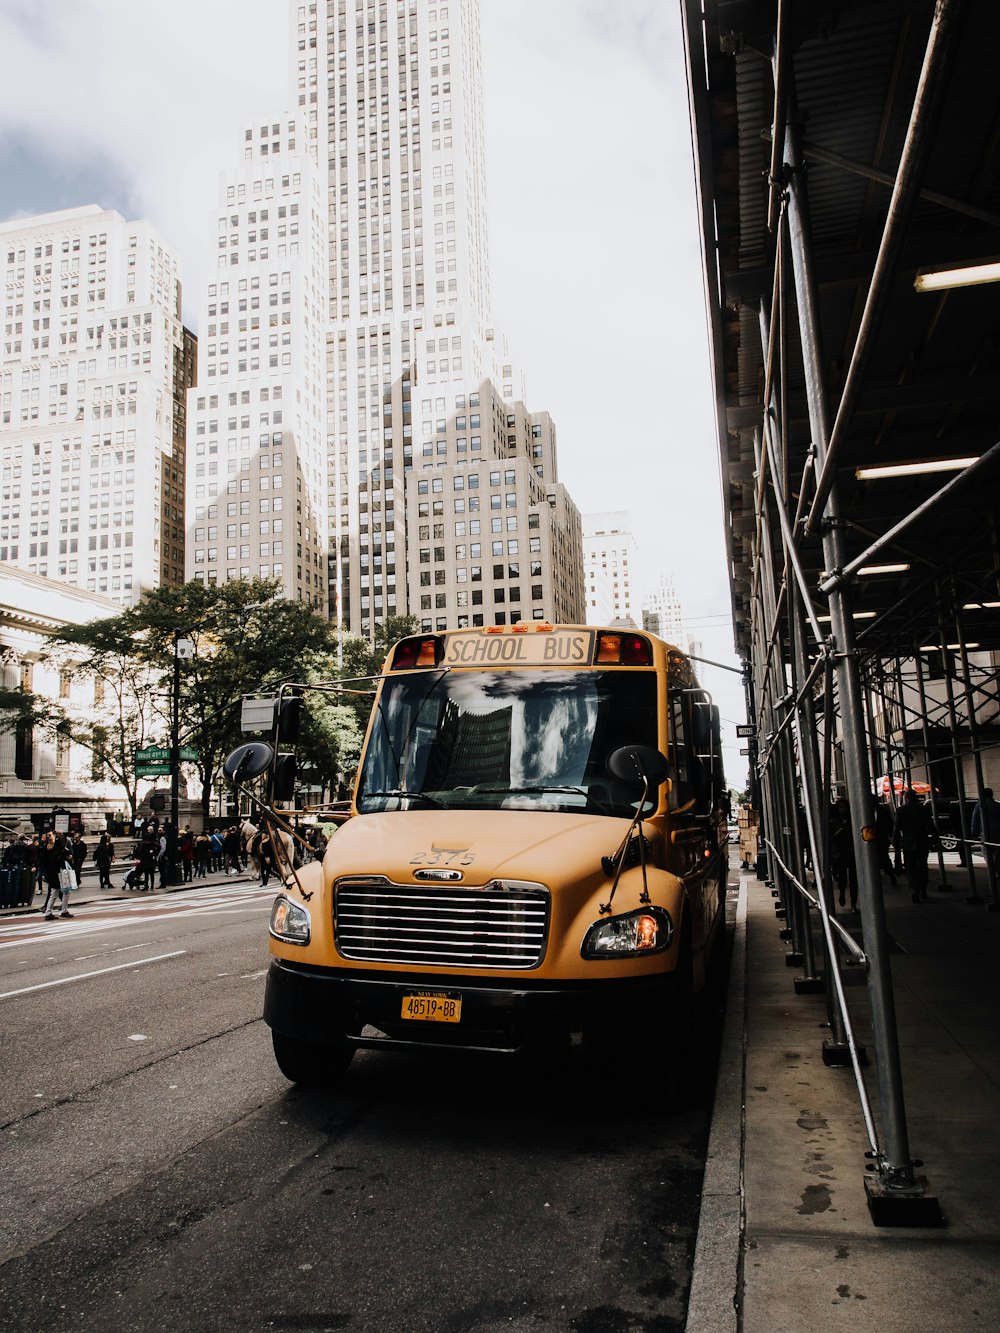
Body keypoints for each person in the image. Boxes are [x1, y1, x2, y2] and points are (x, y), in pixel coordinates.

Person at [893, 788, 939, 903]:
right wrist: (935, 839)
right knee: (923, 866)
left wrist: (895, 842)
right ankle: (923, 889)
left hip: (908, 843)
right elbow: (930, 826)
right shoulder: (923, 809)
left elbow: (897, 829)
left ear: (906, 798)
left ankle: (914, 889)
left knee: (911, 868)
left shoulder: (901, 811)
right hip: (922, 841)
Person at [829, 796, 858, 912]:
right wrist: (838, 833)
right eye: (841, 807)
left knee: (853, 879)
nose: (843, 809)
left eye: (845, 807)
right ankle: (842, 893)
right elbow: (830, 839)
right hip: (840, 855)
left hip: (851, 853)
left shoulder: (853, 821)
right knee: (842, 879)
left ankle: (853, 903)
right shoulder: (834, 822)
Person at [39, 831, 74, 920]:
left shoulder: (57, 846)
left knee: (61, 892)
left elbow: (66, 850)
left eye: (50, 835)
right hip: (56, 872)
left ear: (54, 836)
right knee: (57, 892)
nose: (48, 837)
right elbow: (42, 861)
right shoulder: (48, 848)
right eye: (47, 836)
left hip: (58, 871)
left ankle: (52, 911)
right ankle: (56, 911)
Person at [971, 788, 1000, 882]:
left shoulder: (980, 806)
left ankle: (992, 869)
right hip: (998, 831)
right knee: (997, 852)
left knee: (987, 852)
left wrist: (974, 833)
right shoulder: (997, 805)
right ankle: (997, 870)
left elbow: (975, 820)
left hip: (986, 831)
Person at [874, 800, 898, 888]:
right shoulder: (866, 811)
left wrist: (891, 836)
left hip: (881, 839)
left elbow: (889, 824)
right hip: (871, 840)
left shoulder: (882, 811)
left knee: (884, 859)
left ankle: (891, 876)